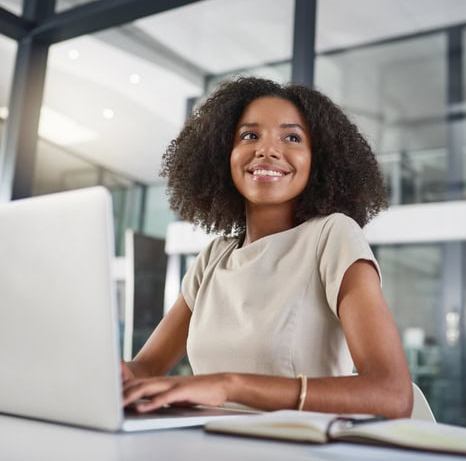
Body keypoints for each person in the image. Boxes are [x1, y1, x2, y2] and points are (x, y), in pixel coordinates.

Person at [121, 76, 413, 418]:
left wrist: (230, 385)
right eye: (249, 135)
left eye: (292, 137)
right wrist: (113, 373)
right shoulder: (214, 257)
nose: (267, 150)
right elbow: (146, 367)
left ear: (318, 159)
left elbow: (392, 395)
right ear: (223, 156)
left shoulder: (332, 236)